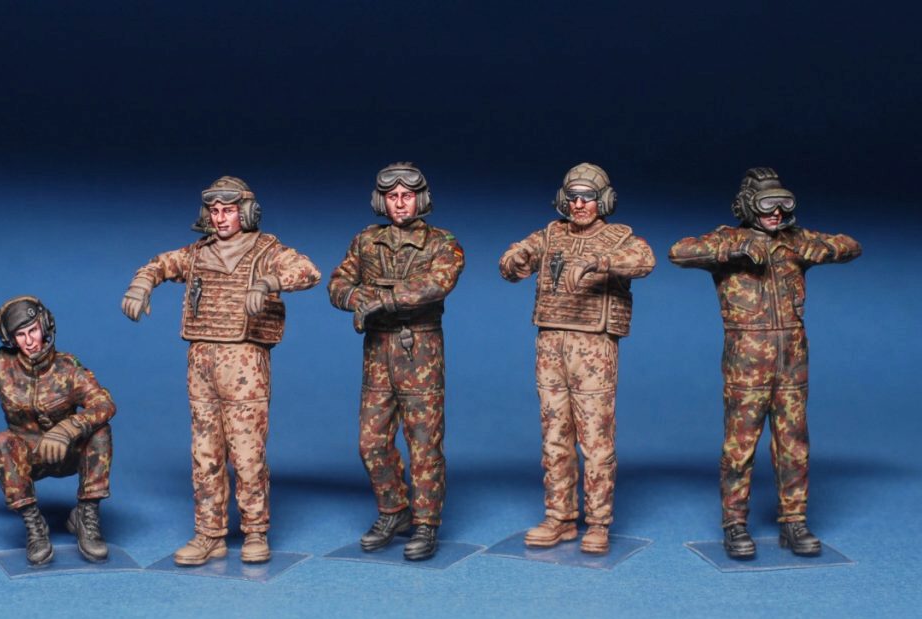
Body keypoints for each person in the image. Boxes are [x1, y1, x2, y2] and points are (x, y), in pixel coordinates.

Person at [121, 175, 319, 565]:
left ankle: (255, 531)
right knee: (205, 453)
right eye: (214, 211)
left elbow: (308, 270)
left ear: (247, 213)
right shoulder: (198, 253)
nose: (220, 217)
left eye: (228, 210)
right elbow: (160, 263)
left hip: (244, 361)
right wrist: (141, 284)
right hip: (202, 360)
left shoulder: (267, 251)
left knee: (247, 454)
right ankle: (209, 533)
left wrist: (268, 281)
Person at [668, 167, 861, 558]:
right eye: (767, 204)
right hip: (746, 363)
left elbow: (850, 245)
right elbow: (678, 251)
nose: (776, 213)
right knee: (739, 447)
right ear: (747, 206)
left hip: (792, 361)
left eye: (783, 204)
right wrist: (734, 250)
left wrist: (819, 249)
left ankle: (794, 520)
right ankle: (735, 523)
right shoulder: (729, 240)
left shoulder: (795, 240)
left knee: (794, 445)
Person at [499, 163, 655, 554]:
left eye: (588, 197)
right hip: (551, 342)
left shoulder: (619, 238)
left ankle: (598, 522)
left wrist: (601, 262)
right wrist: (515, 258)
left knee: (596, 441)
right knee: (555, 437)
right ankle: (560, 517)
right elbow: (513, 264)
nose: (580, 204)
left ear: (604, 201)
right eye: (573, 197)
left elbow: (645, 260)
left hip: (593, 347)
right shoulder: (550, 234)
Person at [327, 162, 464, 561]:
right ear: (381, 201)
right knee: (371, 442)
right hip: (377, 351)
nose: (400, 203)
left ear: (421, 199)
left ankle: (426, 522)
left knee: (424, 442)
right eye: (392, 197)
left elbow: (438, 283)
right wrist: (358, 298)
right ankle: (394, 511)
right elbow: (338, 284)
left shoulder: (442, 242)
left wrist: (383, 299)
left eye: (407, 196)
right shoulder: (366, 241)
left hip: (420, 349)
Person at [0, 296, 115, 565]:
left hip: (67, 451)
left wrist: (69, 428)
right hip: (28, 457)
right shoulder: (1, 366)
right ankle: (34, 525)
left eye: (33, 330)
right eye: (20, 335)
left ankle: (86, 515)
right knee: (2, 441)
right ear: (11, 339)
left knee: (100, 431)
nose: (30, 341)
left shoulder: (67, 368)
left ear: (45, 326)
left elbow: (104, 404)